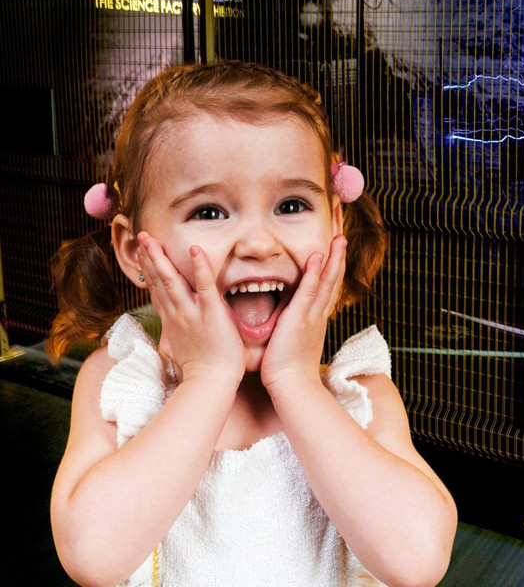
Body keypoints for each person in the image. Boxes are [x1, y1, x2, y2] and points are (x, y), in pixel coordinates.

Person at [47, 60, 457, 587]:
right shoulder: (120, 384)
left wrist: (296, 382)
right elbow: (92, 556)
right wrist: (207, 379)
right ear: (134, 251)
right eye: (210, 212)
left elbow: (419, 560)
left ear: (336, 226)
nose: (259, 244)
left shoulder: (358, 396)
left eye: (291, 204)